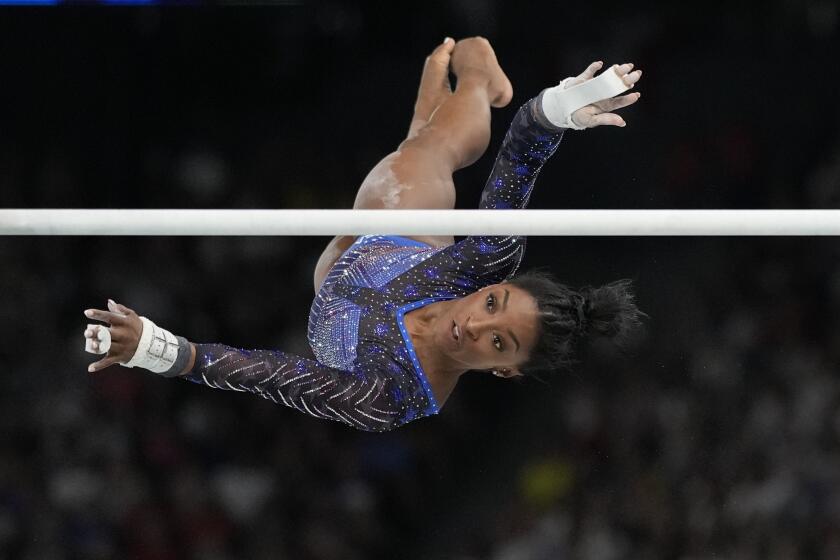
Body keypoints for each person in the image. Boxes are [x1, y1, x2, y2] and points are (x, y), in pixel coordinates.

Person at [83, 37, 646, 432]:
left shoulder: (390, 397)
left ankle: (424, 120)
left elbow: (278, 376)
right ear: (490, 285)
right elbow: (523, 140)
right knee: (419, 159)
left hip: (336, 280)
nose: (473, 322)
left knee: (406, 156)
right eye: (493, 303)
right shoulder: (489, 259)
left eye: (499, 342)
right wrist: (564, 106)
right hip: (401, 230)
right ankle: (478, 69)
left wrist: (159, 350)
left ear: (507, 369)